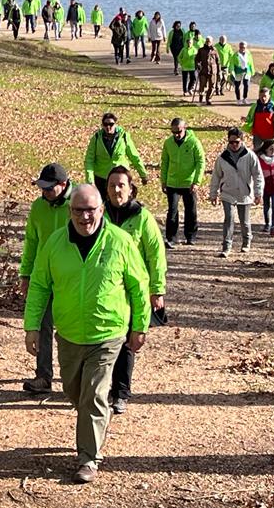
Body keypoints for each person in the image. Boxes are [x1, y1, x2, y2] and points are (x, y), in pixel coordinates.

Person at [23, 184, 150, 483]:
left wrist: (139, 326)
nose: (84, 216)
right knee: (75, 392)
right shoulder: (54, 244)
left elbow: (138, 285)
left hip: (107, 333)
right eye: (78, 210)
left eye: (90, 210)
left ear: (101, 210)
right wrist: (31, 325)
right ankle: (94, 425)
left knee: (93, 395)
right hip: (67, 333)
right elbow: (40, 285)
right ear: (70, 211)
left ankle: (89, 459)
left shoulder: (120, 242)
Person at [104, 167, 166, 414]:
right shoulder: (100, 215)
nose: (116, 190)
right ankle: (102, 388)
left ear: (131, 189)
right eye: (111, 186)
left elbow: (156, 255)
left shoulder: (142, 217)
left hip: (135, 291)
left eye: (121, 185)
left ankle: (120, 393)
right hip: (108, 289)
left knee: (128, 342)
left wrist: (157, 290)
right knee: (107, 339)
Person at [19, 163, 74, 394]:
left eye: (49, 189)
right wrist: (26, 273)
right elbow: (31, 241)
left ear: (63, 185)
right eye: (42, 188)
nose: (44, 193)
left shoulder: (79, 205)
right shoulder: (38, 207)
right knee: (42, 325)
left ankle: (73, 376)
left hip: (71, 277)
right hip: (43, 277)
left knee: (71, 328)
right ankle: (43, 376)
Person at [209, 128, 264, 257]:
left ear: (242, 141)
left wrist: (258, 192)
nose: (234, 145)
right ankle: (226, 246)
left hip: (244, 193)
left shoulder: (250, 156)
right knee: (229, 218)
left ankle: (246, 241)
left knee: (244, 221)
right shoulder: (222, 157)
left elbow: (258, 175)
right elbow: (216, 176)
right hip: (228, 192)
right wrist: (213, 194)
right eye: (231, 142)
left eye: (237, 142)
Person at [160, 118, 206, 247]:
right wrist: (163, 181)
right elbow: (165, 162)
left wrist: (196, 181)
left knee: (191, 210)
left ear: (185, 128)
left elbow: (201, 162)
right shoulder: (168, 143)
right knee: (172, 211)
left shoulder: (194, 142)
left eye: (179, 131)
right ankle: (171, 238)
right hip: (172, 182)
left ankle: (191, 236)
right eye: (173, 132)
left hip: (189, 182)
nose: (176, 135)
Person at [84, 112, 148, 199]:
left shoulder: (124, 137)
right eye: (105, 124)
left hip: (120, 177)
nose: (108, 127)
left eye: (111, 124)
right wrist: (90, 181)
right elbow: (89, 160)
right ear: (102, 125)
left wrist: (143, 174)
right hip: (102, 178)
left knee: (121, 203)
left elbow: (134, 156)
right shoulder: (96, 138)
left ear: (116, 124)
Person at [243, 87, 274, 152]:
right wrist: (246, 119)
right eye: (261, 96)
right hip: (257, 135)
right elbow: (250, 118)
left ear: (269, 96)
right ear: (259, 96)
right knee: (258, 152)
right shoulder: (255, 106)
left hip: (270, 135)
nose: (263, 98)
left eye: (265, 96)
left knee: (270, 152)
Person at [258, 139, 274, 236]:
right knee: (266, 205)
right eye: (271, 149)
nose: (273, 151)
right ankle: (267, 223)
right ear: (266, 150)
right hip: (265, 186)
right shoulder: (260, 160)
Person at [194, 36, 221, 105]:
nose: (208, 42)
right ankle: (201, 97)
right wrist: (198, 65)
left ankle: (208, 99)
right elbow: (196, 59)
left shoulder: (214, 50)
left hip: (213, 71)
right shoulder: (201, 50)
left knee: (212, 86)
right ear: (205, 41)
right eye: (207, 41)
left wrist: (219, 71)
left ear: (212, 42)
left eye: (209, 41)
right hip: (203, 70)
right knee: (202, 85)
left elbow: (218, 61)